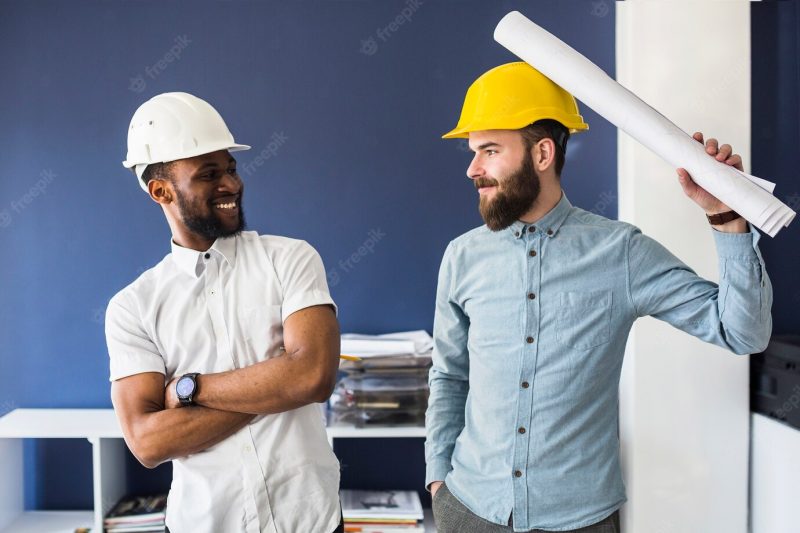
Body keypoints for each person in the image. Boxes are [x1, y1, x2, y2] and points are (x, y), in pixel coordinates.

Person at [424, 62, 772, 533]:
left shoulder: (620, 252)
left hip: (579, 521)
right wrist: (438, 483)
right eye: (473, 152)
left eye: (489, 150)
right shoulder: (461, 257)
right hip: (468, 510)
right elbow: (448, 376)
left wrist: (729, 216)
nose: (473, 169)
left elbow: (742, 332)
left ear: (542, 153)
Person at [106, 92, 343, 533]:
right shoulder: (132, 307)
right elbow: (147, 441)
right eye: (208, 174)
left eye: (231, 169)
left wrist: (190, 389)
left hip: (309, 521)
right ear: (161, 191)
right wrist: (276, 387)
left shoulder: (291, 259)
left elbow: (314, 377)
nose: (231, 184)